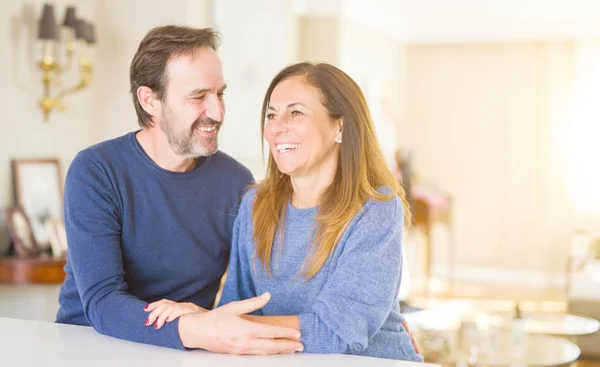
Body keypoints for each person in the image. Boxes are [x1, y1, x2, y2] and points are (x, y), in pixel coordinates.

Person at [147, 62, 423, 361]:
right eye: (271, 115)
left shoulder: (375, 209)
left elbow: (340, 332)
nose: (276, 128)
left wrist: (210, 324)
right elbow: (238, 307)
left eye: (296, 113)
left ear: (340, 126)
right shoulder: (255, 204)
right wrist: (211, 326)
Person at [55, 25, 304, 355]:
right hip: (89, 347)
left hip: (182, 352)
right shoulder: (96, 171)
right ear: (150, 101)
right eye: (198, 96)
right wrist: (195, 330)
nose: (217, 111)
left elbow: (270, 280)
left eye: (220, 94)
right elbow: (103, 302)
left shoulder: (236, 182)